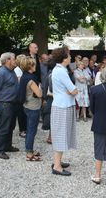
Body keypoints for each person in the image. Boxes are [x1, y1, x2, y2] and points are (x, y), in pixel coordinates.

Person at [50, 46, 78, 176]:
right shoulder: (61, 71)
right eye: (69, 55)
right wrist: (73, 90)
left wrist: (71, 90)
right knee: (61, 135)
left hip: (62, 105)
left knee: (61, 134)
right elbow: (74, 90)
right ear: (64, 58)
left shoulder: (59, 69)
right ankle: (57, 166)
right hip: (62, 106)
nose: (71, 57)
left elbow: (70, 90)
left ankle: (58, 161)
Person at [0, 52, 19, 160]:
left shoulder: (11, 71)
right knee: (3, 128)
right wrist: (0, 101)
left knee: (10, 127)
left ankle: (7, 146)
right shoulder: (1, 72)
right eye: (14, 59)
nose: (15, 61)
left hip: (12, 104)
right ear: (7, 60)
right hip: (5, 104)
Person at [19, 57, 43, 161]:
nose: (35, 66)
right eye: (34, 64)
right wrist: (41, 86)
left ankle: (29, 149)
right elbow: (39, 94)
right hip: (33, 107)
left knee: (29, 129)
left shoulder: (24, 76)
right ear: (30, 66)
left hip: (27, 105)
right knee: (31, 130)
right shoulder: (31, 80)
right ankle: (29, 152)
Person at [41, 58, 56, 144]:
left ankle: (51, 137)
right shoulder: (52, 75)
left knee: (52, 118)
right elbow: (49, 90)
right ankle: (51, 137)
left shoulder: (49, 74)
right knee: (52, 118)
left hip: (49, 98)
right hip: (51, 98)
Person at [15, 54, 27, 138]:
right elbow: (19, 81)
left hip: (21, 93)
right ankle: (22, 130)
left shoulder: (21, 70)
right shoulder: (17, 70)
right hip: (19, 94)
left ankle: (24, 128)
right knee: (21, 113)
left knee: (23, 112)